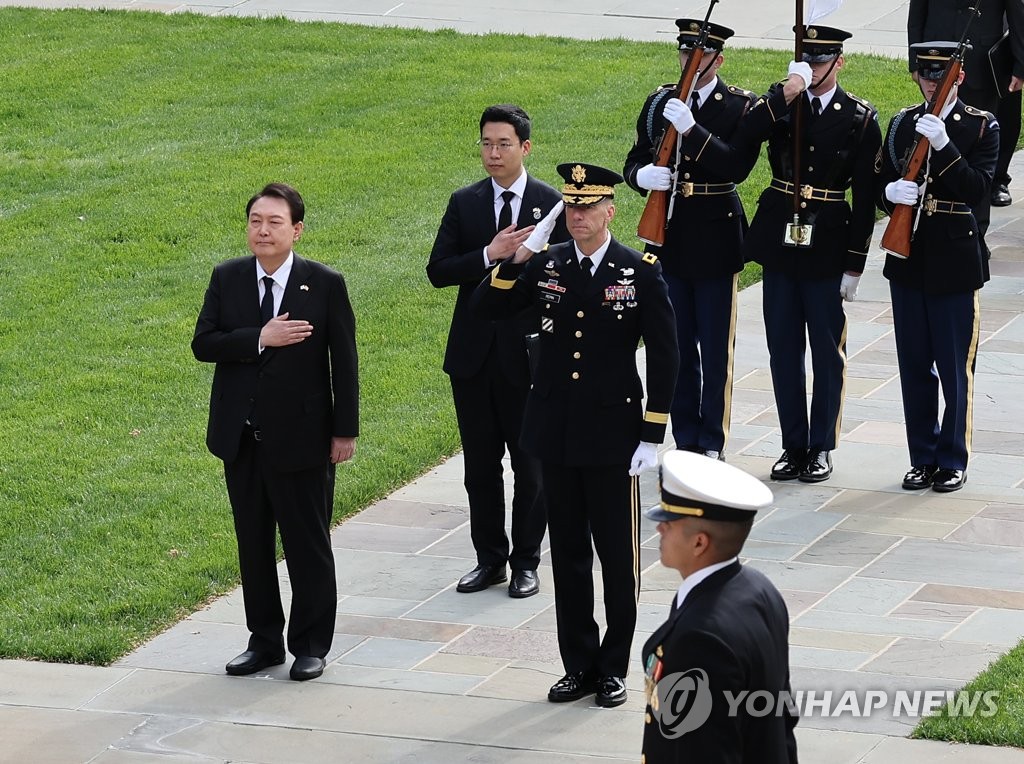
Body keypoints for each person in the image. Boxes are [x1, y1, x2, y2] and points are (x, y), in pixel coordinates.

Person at [472, 163, 679, 708]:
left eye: (589, 207)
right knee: (565, 554)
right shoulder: (548, 266)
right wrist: (516, 259)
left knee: (615, 556)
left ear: (611, 210)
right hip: (556, 433)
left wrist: (652, 434)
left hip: (614, 437)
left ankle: (613, 667)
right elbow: (487, 309)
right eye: (571, 207)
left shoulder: (639, 272)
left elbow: (665, 356)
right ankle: (578, 664)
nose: (579, 216)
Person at [192, 182, 359, 681]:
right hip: (240, 439)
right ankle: (263, 640)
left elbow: (344, 363)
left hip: (304, 440)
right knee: (253, 544)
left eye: (274, 223)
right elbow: (204, 343)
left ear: (297, 230)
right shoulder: (228, 278)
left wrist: (344, 431)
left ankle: (310, 644)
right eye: (255, 221)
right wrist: (259, 339)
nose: (262, 231)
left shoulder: (324, 283)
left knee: (307, 544)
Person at [427, 104, 568, 599]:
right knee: (479, 467)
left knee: (530, 466)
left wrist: (528, 261)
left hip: (528, 360)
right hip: (472, 359)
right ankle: (489, 560)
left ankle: (526, 560)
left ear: (525, 148)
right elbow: (439, 270)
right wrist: (491, 253)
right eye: (486, 143)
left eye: (503, 144)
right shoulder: (464, 203)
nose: (493, 153)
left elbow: (565, 277)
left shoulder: (552, 205)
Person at [736, 25, 881, 484]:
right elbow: (745, 135)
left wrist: (854, 264)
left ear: (838, 63)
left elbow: (864, 200)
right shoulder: (783, 104)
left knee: (825, 351)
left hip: (827, 245)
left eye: (820, 62)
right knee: (782, 350)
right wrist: (786, 91)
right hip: (782, 241)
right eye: (806, 61)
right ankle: (792, 443)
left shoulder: (859, 117)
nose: (813, 69)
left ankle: (820, 445)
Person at [623, 19, 759, 461]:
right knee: (675, 343)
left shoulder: (739, 106)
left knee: (716, 348)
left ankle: (712, 441)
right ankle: (684, 438)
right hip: (670, 237)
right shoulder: (661, 99)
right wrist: (641, 176)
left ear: (717, 60)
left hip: (716, 237)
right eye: (684, 54)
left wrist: (693, 131)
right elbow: (637, 157)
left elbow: (735, 166)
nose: (688, 62)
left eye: (698, 57)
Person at [877, 43, 998, 493]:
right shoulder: (902, 123)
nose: (931, 83)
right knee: (913, 366)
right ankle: (922, 456)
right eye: (924, 75)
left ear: (958, 78)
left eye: (939, 75)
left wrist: (944, 144)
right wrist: (889, 194)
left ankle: (952, 458)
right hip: (909, 258)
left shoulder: (981, 126)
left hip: (954, 262)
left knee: (953, 366)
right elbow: (880, 183)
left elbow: (976, 190)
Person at [641, 450, 797, 763]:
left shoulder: (698, 638)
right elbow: (781, 718)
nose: (660, 528)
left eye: (669, 522)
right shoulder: (760, 591)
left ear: (699, 542)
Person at [908, 0, 1024, 209]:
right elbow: (917, 10)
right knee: (942, 122)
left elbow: (1017, 12)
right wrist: (914, 61)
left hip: (983, 55)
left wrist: (1020, 66)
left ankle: (995, 180)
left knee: (987, 127)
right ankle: (939, 180)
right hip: (937, 53)